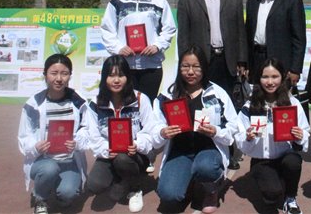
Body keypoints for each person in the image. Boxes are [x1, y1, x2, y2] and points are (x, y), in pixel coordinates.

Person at [177, 0, 247, 169]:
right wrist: (185, 65)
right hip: (201, 63)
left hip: (227, 60)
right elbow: (183, 36)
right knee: (202, 105)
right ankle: (201, 148)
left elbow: (240, 30)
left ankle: (231, 152)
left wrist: (242, 60)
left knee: (228, 107)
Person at [149, 45, 238, 214]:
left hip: (209, 150)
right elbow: (154, 126)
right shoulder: (168, 95)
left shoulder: (216, 93)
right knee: (169, 195)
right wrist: (162, 132)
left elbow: (233, 126)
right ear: (179, 68)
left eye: (196, 67)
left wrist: (216, 132)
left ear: (204, 68)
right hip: (180, 151)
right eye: (185, 66)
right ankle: (188, 178)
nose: (190, 72)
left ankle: (211, 189)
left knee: (205, 167)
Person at [236, 58, 310, 214]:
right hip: (262, 160)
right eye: (265, 77)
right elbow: (240, 140)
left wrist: (299, 135)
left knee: (293, 162)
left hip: (285, 156)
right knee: (272, 194)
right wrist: (248, 137)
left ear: (282, 78)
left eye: (275, 76)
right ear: (259, 78)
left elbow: (305, 135)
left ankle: (290, 198)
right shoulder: (250, 106)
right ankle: (272, 182)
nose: (270, 82)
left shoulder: (292, 103)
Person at [84, 55, 156, 213]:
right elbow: (94, 136)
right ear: (104, 78)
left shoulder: (140, 99)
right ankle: (122, 177)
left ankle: (135, 188)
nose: (116, 80)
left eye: (121, 75)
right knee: (95, 184)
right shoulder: (95, 104)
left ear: (128, 77)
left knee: (122, 160)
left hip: (135, 154)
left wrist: (137, 144)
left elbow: (150, 131)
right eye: (111, 76)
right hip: (109, 153)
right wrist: (106, 149)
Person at [18, 54, 89, 214]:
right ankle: (40, 198)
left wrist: (77, 143)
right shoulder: (34, 104)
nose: (59, 79)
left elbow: (86, 129)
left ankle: (56, 189)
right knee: (49, 169)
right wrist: (35, 146)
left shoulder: (78, 101)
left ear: (70, 75)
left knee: (68, 194)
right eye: (54, 73)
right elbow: (24, 136)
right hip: (42, 160)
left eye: (64, 73)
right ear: (45, 75)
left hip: (69, 160)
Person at [101, 0, 177, 102]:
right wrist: (118, 48)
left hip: (151, 67)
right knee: (126, 105)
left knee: (147, 105)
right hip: (124, 67)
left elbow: (169, 29)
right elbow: (107, 29)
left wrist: (157, 46)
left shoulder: (159, 1)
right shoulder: (117, 2)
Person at [245, 0, 306, 88]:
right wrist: (247, 64)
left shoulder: (292, 2)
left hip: (281, 62)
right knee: (258, 97)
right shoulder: (252, 3)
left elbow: (299, 39)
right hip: (257, 60)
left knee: (281, 98)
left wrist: (295, 69)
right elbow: (247, 36)